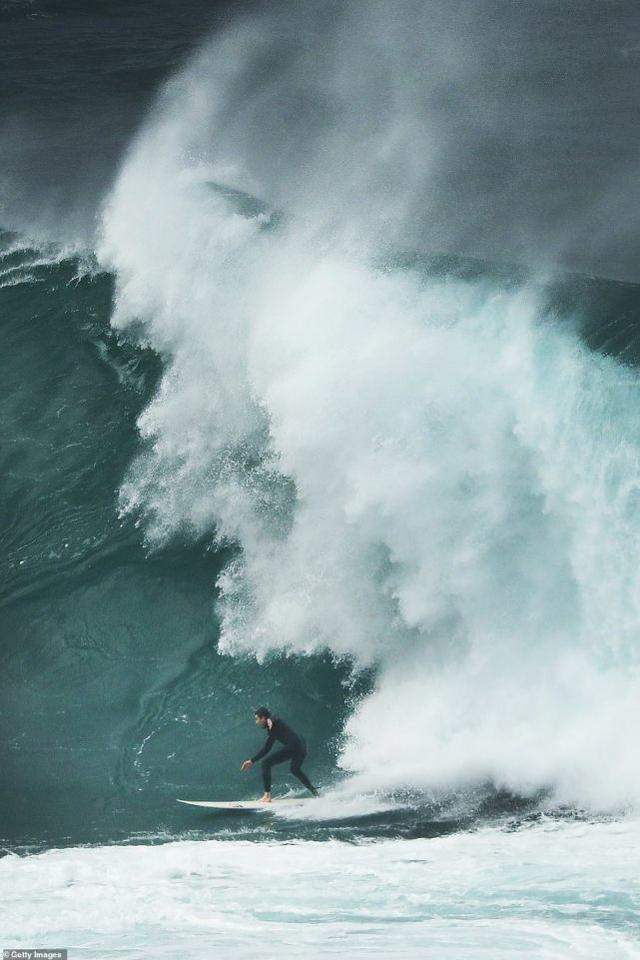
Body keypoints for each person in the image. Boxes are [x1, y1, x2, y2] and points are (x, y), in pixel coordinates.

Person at [240, 706, 319, 802]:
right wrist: (252, 761)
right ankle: (315, 792)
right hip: (301, 746)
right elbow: (267, 748)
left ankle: (267, 796)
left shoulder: (274, 722)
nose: (256, 722)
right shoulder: (272, 729)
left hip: (294, 746)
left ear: (263, 718)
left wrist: (270, 720)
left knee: (266, 763)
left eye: (257, 719)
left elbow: (274, 719)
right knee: (294, 769)